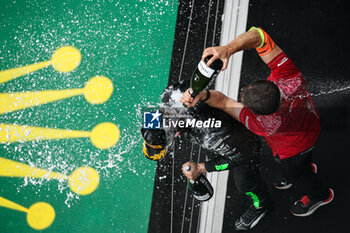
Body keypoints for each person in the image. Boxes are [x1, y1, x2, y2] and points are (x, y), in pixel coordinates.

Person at [180, 26, 334, 217]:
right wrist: (228, 48)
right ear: (271, 85)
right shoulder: (289, 76)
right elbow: (259, 36)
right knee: (301, 165)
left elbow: (223, 101)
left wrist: (202, 95)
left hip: (293, 149)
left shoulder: (263, 125)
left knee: (296, 173)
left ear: (259, 113)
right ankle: (305, 169)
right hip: (311, 125)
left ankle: (319, 194)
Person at [141, 80, 271, 230]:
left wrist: (201, 168)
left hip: (245, 144)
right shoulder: (171, 93)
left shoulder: (211, 136)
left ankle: (262, 205)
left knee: (245, 183)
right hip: (224, 123)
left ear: (176, 134)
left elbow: (241, 156)